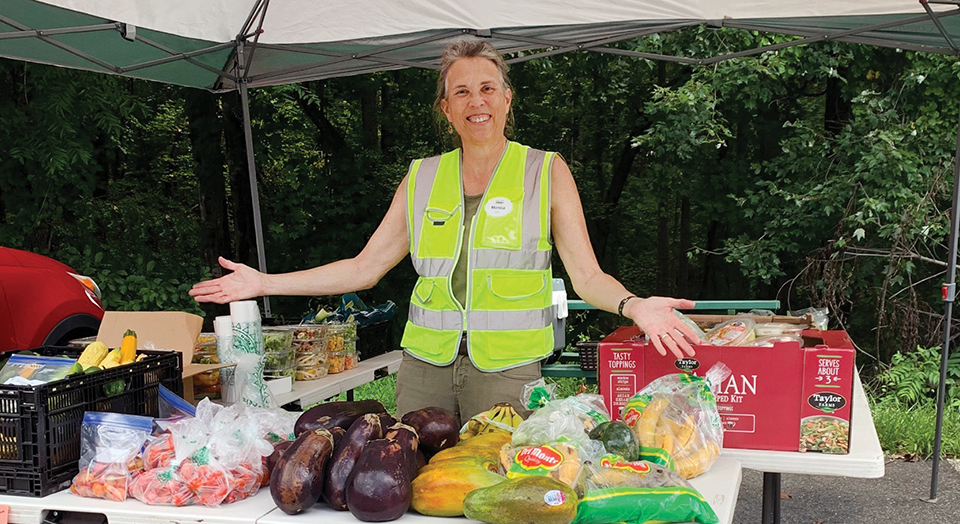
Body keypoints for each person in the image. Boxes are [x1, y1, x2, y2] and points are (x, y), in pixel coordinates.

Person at [190, 39, 701, 424]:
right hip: (424, 368)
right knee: (417, 486)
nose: (475, 101)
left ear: (506, 99)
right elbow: (364, 269)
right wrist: (265, 283)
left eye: (486, 88)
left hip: (506, 371)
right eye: (461, 91)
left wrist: (635, 305)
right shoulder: (422, 177)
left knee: (499, 493)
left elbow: (587, 276)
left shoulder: (546, 172)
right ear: (446, 107)